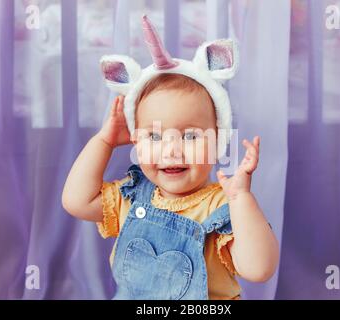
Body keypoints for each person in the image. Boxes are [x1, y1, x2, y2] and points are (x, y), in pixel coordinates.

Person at [62, 15, 279, 300]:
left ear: (217, 143)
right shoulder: (131, 197)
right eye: (154, 137)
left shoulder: (221, 205)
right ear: (137, 144)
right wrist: (104, 141)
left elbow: (258, 269)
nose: (171, 150)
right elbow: (76, 202)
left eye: (190, 136)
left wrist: (241, 200)